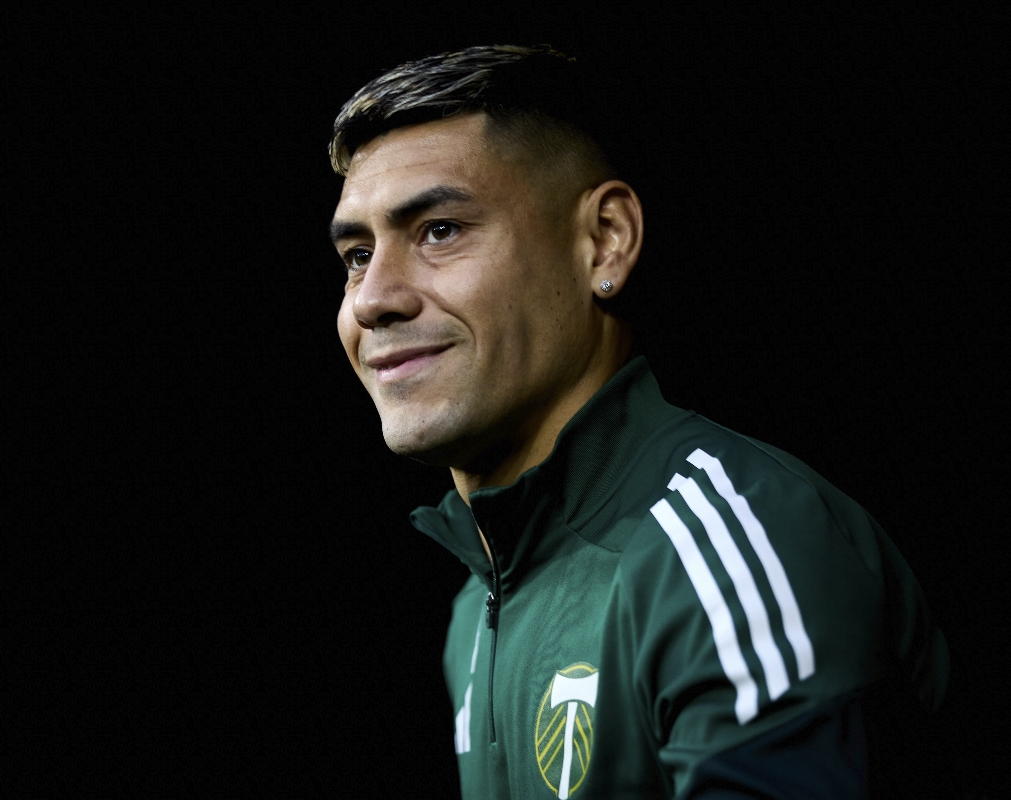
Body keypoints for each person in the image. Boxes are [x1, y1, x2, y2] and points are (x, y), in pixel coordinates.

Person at [327, 45, 948, 799]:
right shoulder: (476, 604)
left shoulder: (734, 545)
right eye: (357, 255)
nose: (372, 299)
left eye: (440, 230)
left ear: (605, 241)